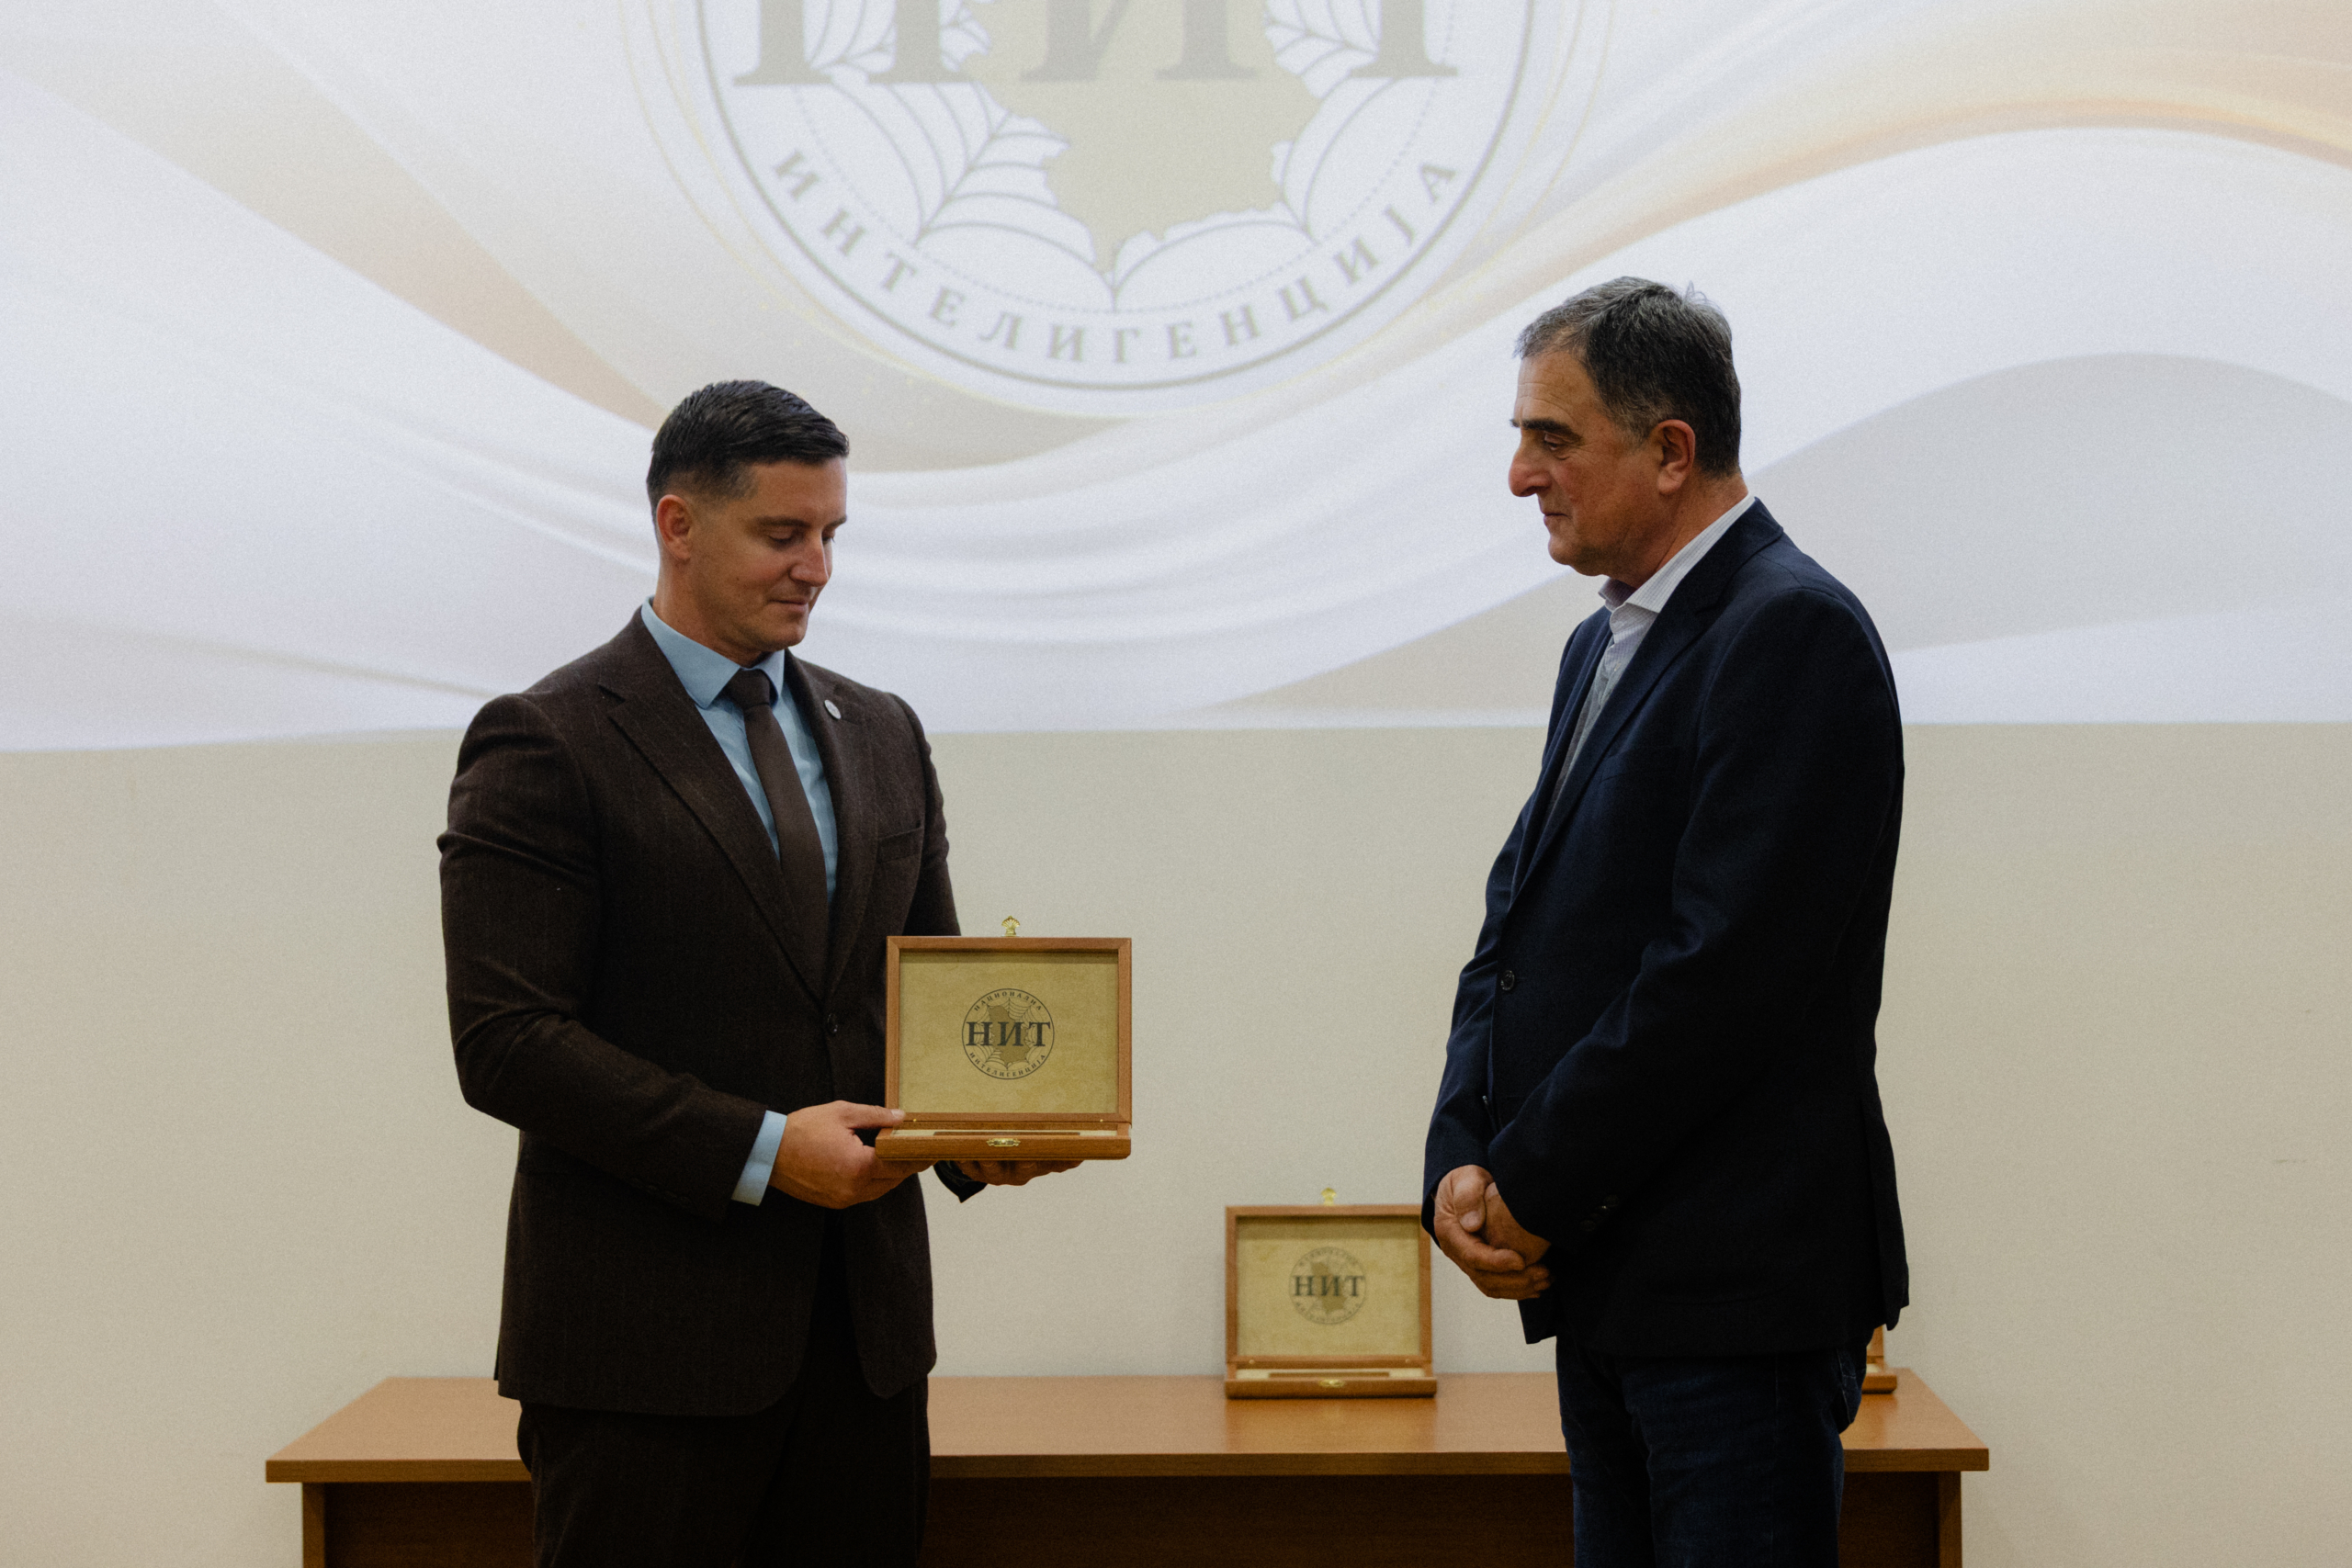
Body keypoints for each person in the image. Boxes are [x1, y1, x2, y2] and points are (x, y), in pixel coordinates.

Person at [439, 380, 1070, 1567]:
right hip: (644, 1357)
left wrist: (980, 1130)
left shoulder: (885, 731)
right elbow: (507, 1041)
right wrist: (769, 1151)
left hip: (866, 1346)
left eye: (831, 534)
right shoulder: (547, 736)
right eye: (783, 534)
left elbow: (920, 1000)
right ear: (678, 525)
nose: (816, 568)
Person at [1421, 279, 1908, 1566]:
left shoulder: (1790, 630)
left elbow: (1719, 977)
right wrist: (1462, 1152)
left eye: (1554, 439)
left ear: (1672, 449)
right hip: (1611, 1279)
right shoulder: (1604, 644)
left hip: (1732, 1299)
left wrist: (1531, 1182)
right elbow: (1516, 928)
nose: (1521, 477)